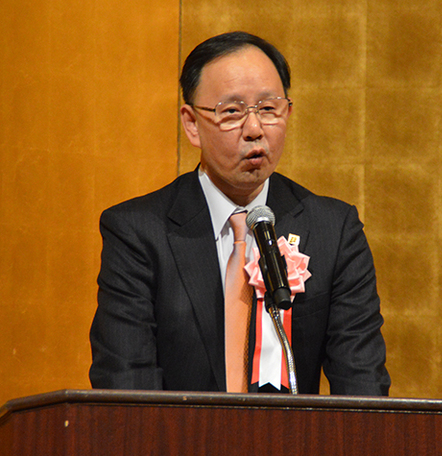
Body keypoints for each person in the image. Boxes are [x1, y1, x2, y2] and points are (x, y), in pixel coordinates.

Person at [89, 31, 390, 395]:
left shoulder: (333, 231)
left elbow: (362, 387)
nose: (254, 129)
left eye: (268, 109)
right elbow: (126, 386)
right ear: (192, 124)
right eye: (231, 112)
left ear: (288, 113)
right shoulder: (138, 232)